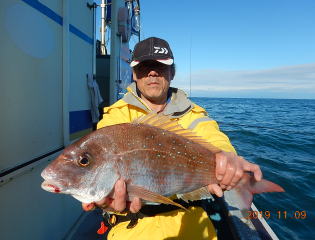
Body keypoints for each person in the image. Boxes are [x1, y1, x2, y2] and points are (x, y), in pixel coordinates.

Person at [83, 37, 262, 239]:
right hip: (132, 228)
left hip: (193, 226)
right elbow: (100, 152)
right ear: (134, 74)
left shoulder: (193, 113)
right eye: (144, 67)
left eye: (160, 66)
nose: (152, 72)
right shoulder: (117, 116)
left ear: (172, 73)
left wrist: (227, 158)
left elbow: (211, 136)